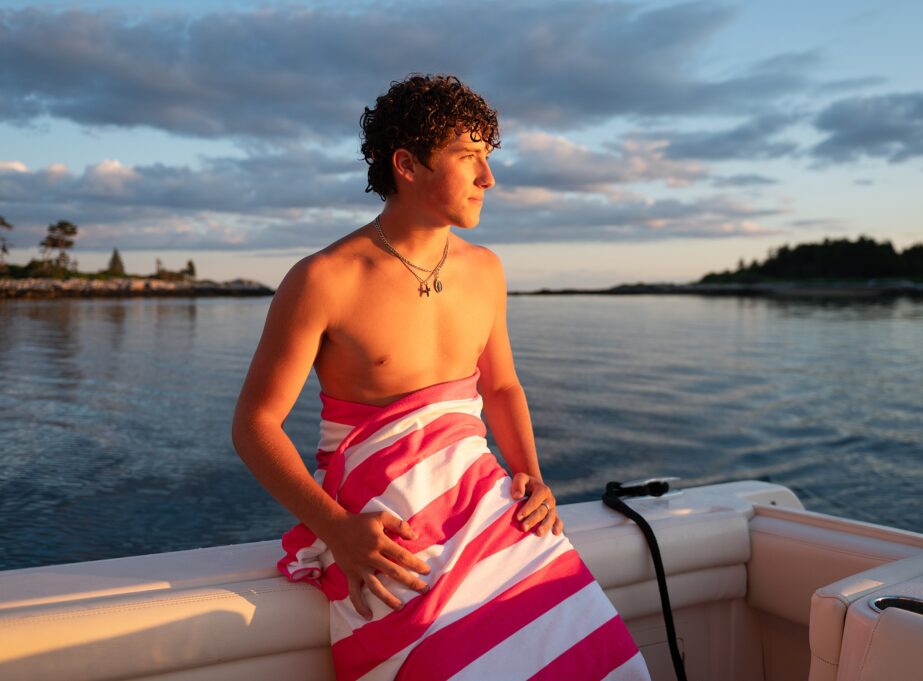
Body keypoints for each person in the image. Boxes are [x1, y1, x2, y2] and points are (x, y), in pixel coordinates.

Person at [232, 74, 648, 680]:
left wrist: (531, 473)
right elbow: (254, 425)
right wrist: (338, 531)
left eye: (489, 157)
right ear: (407, 164)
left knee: (598, 663)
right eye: (468, 157)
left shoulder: (485, 270)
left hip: (488, 505)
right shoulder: (324, 278)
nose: (489, 178)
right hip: (389, 528)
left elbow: (501, 386)